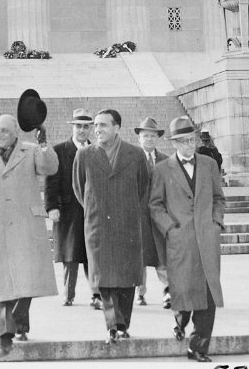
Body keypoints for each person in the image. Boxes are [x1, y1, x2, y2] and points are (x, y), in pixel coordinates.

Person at [0, 106, 58, 357]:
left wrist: (44, 143)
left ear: (15, 132)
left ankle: (21, 323)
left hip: (26, 225)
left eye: (4, 130)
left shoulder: (32, 151)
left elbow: (50, 168)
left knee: (26, 280)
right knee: (1, 283)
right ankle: (4, 335)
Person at [149, 115, 225, 362]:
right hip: (180, 241)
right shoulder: (162, 170)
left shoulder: (209, 165)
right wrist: (170, 229)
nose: (189, 145)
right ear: (174, 144)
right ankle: (180, 323)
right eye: (183, 141)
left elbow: (218, 198)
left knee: (208, 295)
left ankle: (198, 347)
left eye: (191, 140)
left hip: (207, 240)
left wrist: (216, 222)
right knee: (183, 293)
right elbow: (155, 205)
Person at [73, 108, 151, 345]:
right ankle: (112, 325)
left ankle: (123, 323)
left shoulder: (136, 154)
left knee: (127, 277)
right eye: (95, 125)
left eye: (103, 125)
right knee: (104, 277)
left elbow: (144, 189)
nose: (97, 130)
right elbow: (79, 189)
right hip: (98, 224)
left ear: (117, 127)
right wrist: (96, 208)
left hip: (128, 223)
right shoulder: (84, 155)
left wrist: (128, 211)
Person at [45, 109, 93, 308]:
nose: (82, 130)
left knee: (93, 254)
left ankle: (97, 294)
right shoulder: (59, 150)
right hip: (68, 211)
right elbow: (51, 182)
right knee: (70, 255)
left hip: (92, 211)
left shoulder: (97, 149)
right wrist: (51, 207)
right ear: (72, 127)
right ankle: (68, 293)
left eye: (85, 126)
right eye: (78, 126)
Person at [133, 117, 170, 309]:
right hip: (138, 216)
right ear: (139, 138)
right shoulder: (131, 159)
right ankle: (140, 292)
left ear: (158, 138)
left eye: (152, 136)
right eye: (145, 135)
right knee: (139, 257)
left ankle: (168, 291)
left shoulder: (166, 160)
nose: (149, 139)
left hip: (159, 216)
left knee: (162, 255)